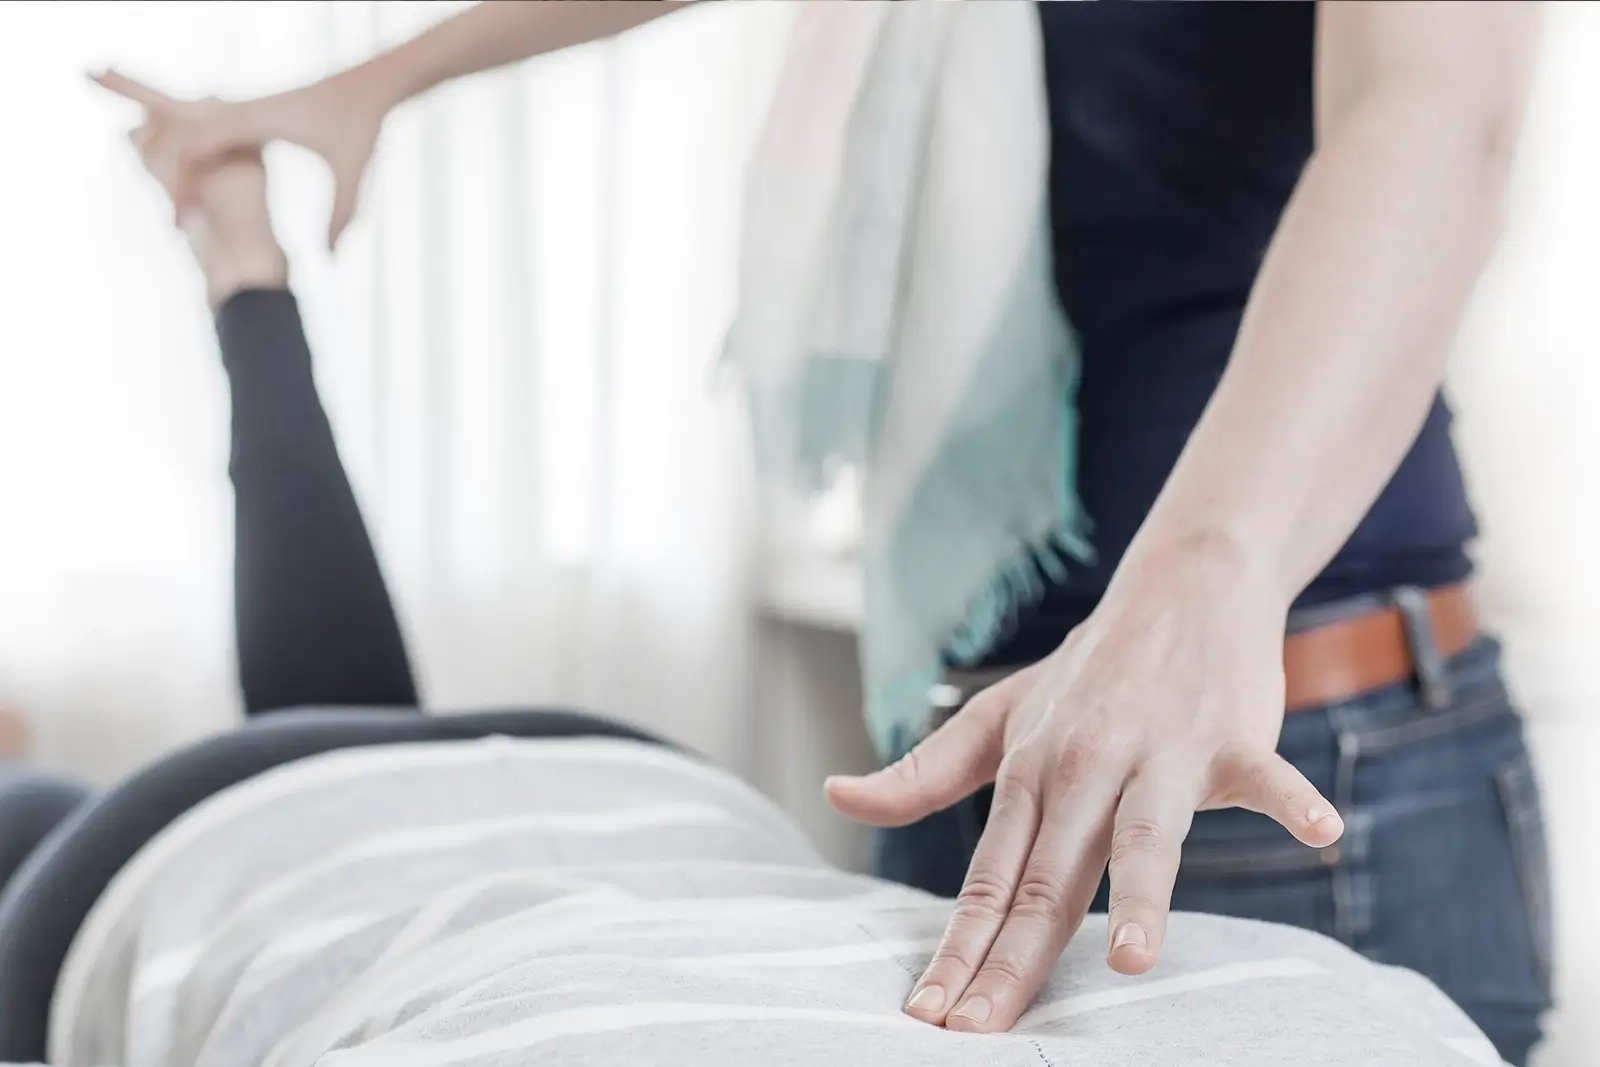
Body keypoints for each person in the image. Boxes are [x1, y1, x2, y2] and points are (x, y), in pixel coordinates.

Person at [94, 2, 1552, 1063]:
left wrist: (1190, 594)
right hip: (964, 760)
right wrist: (377, 81)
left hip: (1287, 750)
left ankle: (245, 283)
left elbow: (1437, 116)